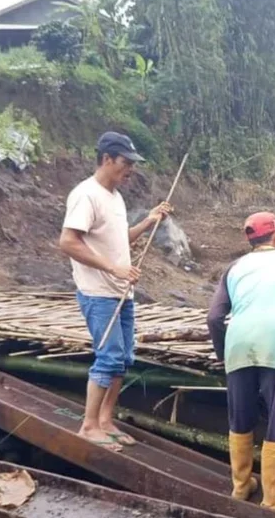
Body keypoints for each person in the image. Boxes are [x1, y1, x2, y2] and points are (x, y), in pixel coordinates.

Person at [59, 132, 172, 451]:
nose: (130, 169)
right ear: (107, 159)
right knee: (108, 358)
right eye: (126, 162)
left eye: (132, 163)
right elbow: (67, 242)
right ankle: (88, 425)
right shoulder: (86, 194)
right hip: (99, 292)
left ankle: (106, 421)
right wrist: (113, 268)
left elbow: (121, 240)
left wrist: (150, 220)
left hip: (121, 292)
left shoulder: (115, 197)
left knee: (123, 359)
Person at [206, 212, 275, 516]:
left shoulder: (234, 267)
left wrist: (223, 354)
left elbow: (214, 317)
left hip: (238, 344)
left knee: (240, 416)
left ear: (250, 239)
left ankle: (242, 485)